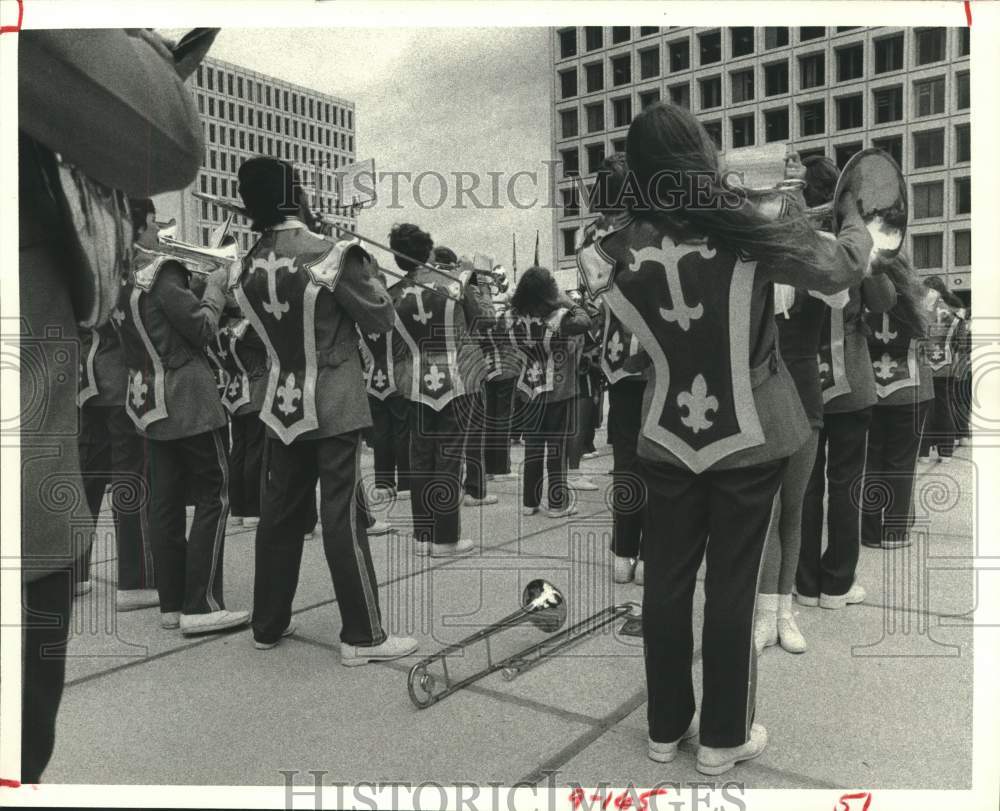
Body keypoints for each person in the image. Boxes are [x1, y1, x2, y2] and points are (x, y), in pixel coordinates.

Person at [577, 102, 871, 774]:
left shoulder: (613, 246)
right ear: (700, 155)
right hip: (749, 434)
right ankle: (722, 737)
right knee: (733, 587)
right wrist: (852, 213)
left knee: (668, 584)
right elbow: (842, 268)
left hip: (666, 433)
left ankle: (663, 726)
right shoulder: (752, 225)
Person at [18, 27, 212, 782]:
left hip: (103, 399)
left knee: (137, 490)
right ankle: (176, 591)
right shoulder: (166, 280)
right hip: (42, 454)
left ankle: (140, 581)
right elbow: (165, 140)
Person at [234, 157, 417, 664]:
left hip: (280, 401)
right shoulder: (332, 254)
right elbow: (380, 318)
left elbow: (248, 341)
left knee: (279, 515)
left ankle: (267, 623)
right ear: (297, 193)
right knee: (340, 518)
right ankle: (363, 635)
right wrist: (366, 267)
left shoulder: (243, 265)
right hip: (333, 400)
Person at [118, 198, 250, 636]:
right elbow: (202, 329)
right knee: (214, 496)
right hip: (188, 398)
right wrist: (215, 285)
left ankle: (171, 603)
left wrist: (193, 288)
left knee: (166, 504)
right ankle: (203, 603)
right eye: (155, 226)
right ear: (138, 228)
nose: (160, 235)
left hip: (148, 401)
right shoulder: (162, 273)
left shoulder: (116, 277)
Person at [754, 153, 850, 655]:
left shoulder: (817, 252)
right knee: (760, 512)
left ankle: (784, 611)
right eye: (772, 197)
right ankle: (762, 612)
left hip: (803, 398)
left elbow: (842, 288)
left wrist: (814, 234)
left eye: (786, 196)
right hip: (756, 399)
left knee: (792, 509)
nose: (779, 205)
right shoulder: (748, 255)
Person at [797, 155, 897, 612]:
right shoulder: (852, 245)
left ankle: (804, 580)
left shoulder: (793, 244)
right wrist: (871, 258)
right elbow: (884, 303)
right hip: (852, 383)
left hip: (801, 384)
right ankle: (837, 584)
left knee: (805, 486)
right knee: (846, 485)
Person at [387, 226, 493, 556]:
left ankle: (423, 536)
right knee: (449, 457)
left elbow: (393, 343)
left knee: (420, 458)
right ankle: (446, 537)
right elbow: (486, 319)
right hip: (456, 377)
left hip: (416, 381)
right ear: (429, 249)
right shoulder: (455, 281)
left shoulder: (394, 292)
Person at [584, 153, 648, 585]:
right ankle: (651, 553)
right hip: (655, 356)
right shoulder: (651, 230)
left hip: (614, 357)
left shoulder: (592, 239)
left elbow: (592, 300)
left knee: (626, 461)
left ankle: (622, 552)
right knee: (659, 462)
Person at [76, 320, 159, 610]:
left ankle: (74, 572)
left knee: (88, 479)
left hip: (86, 374)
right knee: (131, 477)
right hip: (121, 376)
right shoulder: (118, 272)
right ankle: (135, 580)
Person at [507, 268, 594, 518]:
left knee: (533, 446)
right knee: (556, 448)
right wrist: (566, 300)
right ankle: (557, 504)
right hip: (559, 388)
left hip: (528, 388)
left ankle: (529, 501)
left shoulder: (515, 317)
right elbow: (586, 320)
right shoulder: (560, 319)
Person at [861, 253, 933, 550]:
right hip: (912, 388)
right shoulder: (921, 300)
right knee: (901, 464)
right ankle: (895, 531)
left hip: (870, 389)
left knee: (870, 462)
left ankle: (868, 531)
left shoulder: (862, 294)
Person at [358, 268, 412, 503]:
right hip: (397, 376)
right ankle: (406, 483)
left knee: (381, 433)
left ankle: (383, 483)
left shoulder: (362, 318)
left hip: (373, 378)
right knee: (402, 432)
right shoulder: (395, 315)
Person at [918, 276, 966, 463]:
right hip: (947, 366)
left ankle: (923, 452)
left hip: (925, 365)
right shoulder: (955, 311)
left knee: (925, 408)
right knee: (945, 408)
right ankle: (945, 452)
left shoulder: (922, 309)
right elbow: (961, 343)